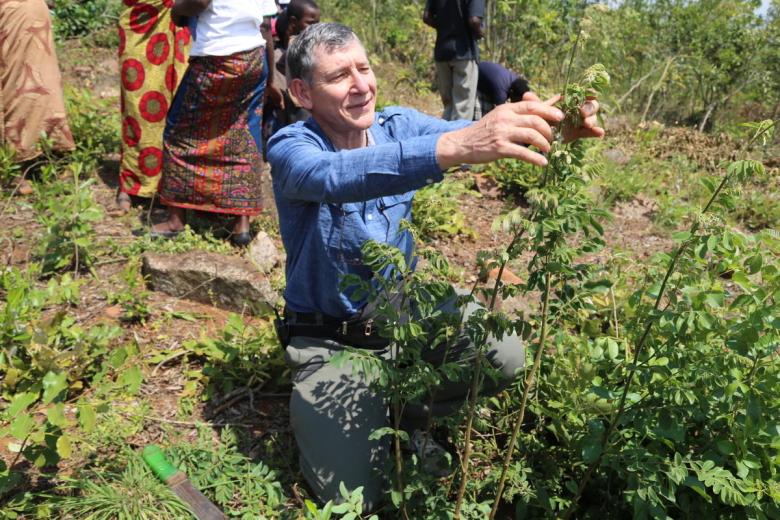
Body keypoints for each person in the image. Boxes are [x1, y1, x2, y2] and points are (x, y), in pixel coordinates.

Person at [267, 23, 604, 510]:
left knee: (505, 352)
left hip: (402, 312)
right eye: (340, 76)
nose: (361, 85)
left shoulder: (397, 125)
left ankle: (408, 411)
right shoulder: (293, 147)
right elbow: (332, 177)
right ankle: (356, 418)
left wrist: (555, 122)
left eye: (364, 68)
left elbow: (476, 135)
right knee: (354, 499)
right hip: (330, 338)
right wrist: (454, 149)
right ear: (302, 92)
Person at [148, 0, 270, 246]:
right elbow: (266, 23)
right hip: (254, 57)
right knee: (243, 130)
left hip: (218, 57)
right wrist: (272, 80)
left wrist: (177, 10)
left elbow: (199, 2)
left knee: (179, 131)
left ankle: (175, 220)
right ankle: (241, 224)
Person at [116, 0, 191, 211]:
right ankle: (130, 183)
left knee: (177, 103)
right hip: (137, 24)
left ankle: (171, 185)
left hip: (177, 22)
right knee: (136, 107)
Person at [0, 0, 74, 191]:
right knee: (18, 83)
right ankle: (17, 163)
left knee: (40, 85)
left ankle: (32, 159)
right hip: (17, 12)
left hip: (25, 13)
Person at [263, 0, 320, 145]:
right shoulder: (295, 44)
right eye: (311, 23)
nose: (315, 28)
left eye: (317, 23)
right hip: (293, 107)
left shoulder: (305, 41)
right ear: (294, 22)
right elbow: (281, 65)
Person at [423, 0, 484, 121]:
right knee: (463, 106)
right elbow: (474, 20)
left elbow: (426, 17)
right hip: (464, 53)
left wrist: (443, 27)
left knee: (449, 105)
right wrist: (481, 33)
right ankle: (457, 138)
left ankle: (443, 135)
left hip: (442, 52)